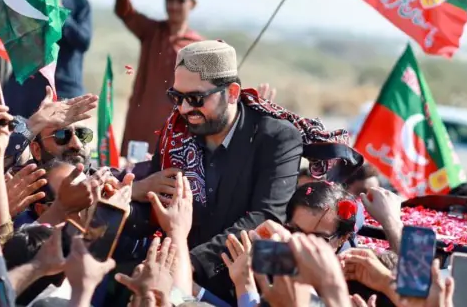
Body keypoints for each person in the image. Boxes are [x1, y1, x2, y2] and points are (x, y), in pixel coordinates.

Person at [123, 40, 356, 303]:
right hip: (168, 273)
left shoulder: (275, 137)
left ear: (232, 92)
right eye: (177, 98)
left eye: (196, 98)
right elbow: (159, 202)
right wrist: (132, 196)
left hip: (238, 287)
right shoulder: (176, 130)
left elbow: (266, 216)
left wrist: (187, 267)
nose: (185, 109)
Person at [115, 0, 204, 156]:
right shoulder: (152, 31)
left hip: (172, 129)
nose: (173, 6)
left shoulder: (197, 46)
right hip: (139, 122)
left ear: (193, 4)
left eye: (180, 1)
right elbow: (123, 9)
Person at [5, 0, 92, 117]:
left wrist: (58, 10)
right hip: (25, 90)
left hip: (63, 89)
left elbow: (83, 41)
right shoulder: (27, 0)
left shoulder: (79, 3)